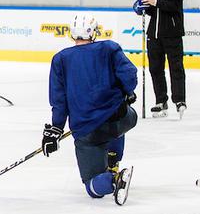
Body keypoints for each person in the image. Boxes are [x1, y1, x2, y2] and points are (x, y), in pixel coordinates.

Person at [42, 14, 137, 202]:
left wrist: (56, 129)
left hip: (88, 131)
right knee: (119, 117)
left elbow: (59, 100)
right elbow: (129, 74)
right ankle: (113, 158)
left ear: (72, 34)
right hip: (121, 119)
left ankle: (114, 179)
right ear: (94, 33)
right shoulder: (109, 47)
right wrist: (128, 92)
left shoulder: (60, 59)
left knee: (93, 188)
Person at [133, 0, 186, 118]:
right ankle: (160, 101)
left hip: (172, 33)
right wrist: (139, 7)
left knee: (175, 67)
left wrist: (155, 2)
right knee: (155, 69)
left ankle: (179, 100)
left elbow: (175, 6)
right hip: (154, 34)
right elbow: (148, 9)